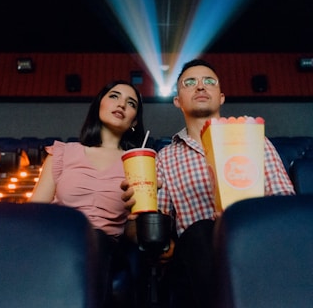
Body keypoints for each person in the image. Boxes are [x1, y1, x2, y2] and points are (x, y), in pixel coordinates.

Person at [122, 59, 295, 308]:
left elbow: (283, 204)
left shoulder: (255, 140)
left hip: (257, 246)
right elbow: (157, 227)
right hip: (196, 256)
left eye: (209, 82)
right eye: (189, 83)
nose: (200, 87)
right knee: (202, 230)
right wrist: (137, 219)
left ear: (221, 97)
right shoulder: (165, 157)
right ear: (177, 100)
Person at [31, 80, 145, 308]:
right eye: (114, 96)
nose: (121, 104)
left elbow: (134, 234)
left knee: (97, 239)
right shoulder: (63, 153)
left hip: (108, 248)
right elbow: (35, 212)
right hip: (60, 240)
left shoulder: (137, 164)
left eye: (130, 103)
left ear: (134, 121)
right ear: (99, 105)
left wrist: (138, 215)